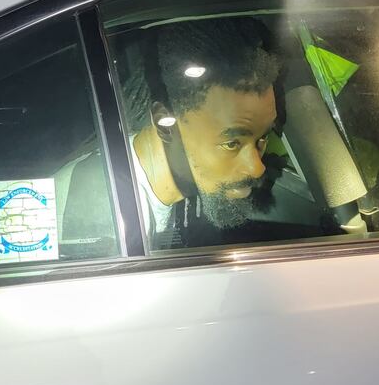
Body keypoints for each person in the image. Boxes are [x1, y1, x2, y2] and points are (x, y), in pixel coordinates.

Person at [121, 17, 284, 244]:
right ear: (164, 125)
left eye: (262, 138)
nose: (257, 168)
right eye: (232, 143)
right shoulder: (103, 219)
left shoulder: (175, 192)